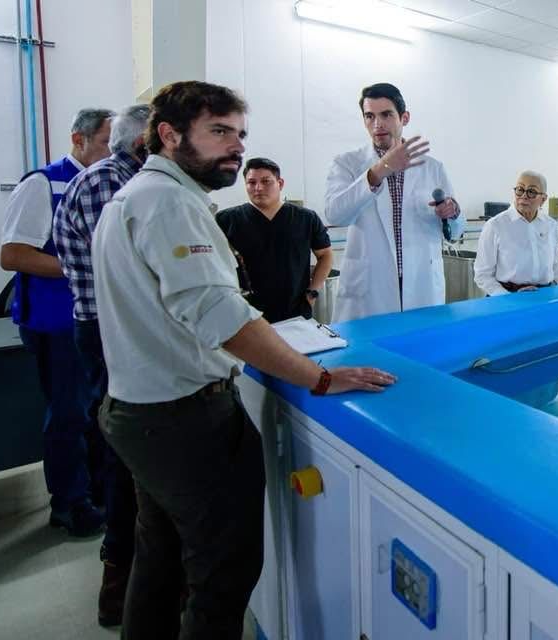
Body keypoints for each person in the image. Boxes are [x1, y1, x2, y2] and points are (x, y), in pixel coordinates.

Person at [91, 80, 395, 640]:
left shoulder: (135, 197)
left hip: (137, 411)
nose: (236, 146)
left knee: (159, 560)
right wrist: (320, 378)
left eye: (240, 133)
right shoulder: (171, 204)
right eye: (219, 131)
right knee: (222, 577)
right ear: (169, 134)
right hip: (185, 420)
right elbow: (225, 318)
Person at [52, 103, 151, 627]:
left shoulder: (128, 181)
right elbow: (128, 270)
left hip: (119, 327)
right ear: (145, 144)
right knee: (125, 454)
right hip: (112, 331)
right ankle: (121, 581)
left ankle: (139, 576)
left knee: (131, 451)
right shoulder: (107, 183)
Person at [0, 107, 114, 537]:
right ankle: (68, 503)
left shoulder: (108, 184)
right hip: (56, 320)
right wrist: (83, 267)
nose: (112, 152)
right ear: (78, 140)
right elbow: (13, 255)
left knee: (98, 410)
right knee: (69, 411)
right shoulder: (44, 183)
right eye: (105, 142)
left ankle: (98, 491)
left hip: (96, 317)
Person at [325, 82, 463, 322]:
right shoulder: (347, 164)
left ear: (404, 118)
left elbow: (456, 232)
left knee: (421, 342)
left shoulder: (432, 168)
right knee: (369, 346)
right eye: (369, 116)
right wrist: (379, 171)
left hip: (421, 285)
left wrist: (453, 213)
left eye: (386, 115)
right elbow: (335, 214)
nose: (377, 124)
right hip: (369, 289)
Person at [216, 157, 333, 323]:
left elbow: (325, 255)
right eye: (251, 182)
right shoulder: (227, 220)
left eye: (266, 181)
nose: (258, 188)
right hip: (246, 315)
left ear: (280, 183)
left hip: (295, 311)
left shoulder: (305, 218)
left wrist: (312, 292)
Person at [474, 170, 558, 296]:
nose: (524, 196)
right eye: (520, 189)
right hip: (506, 297)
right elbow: (482, 275)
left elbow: (554, 262)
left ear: (543, 199)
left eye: (531, 191)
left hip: (545, 295)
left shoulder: (550, 225)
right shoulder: (495, 226)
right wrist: (508, 297)